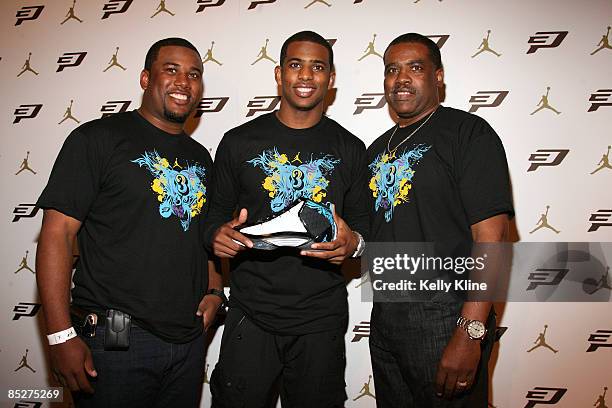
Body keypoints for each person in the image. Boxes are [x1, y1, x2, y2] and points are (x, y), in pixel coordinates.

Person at [36, 37, 222, 408]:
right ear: (144, 79)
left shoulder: (201, 156)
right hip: (116, 336)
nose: (184, 82)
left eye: (194, 74)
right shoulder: (97, 139)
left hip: (186, 340)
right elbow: (57, 234)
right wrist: (59, 335)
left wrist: (215, 292)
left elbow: (206, 237)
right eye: (171, 70)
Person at [205, 30, 369, 407]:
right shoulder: (238, 141)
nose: (306, 76)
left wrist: (354, 243)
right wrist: (214, 234)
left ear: (331, 79)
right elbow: (212, 215)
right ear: (279, 75)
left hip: (320, 318)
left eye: (318, 67)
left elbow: (365, 227)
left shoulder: (350, 148)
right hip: (251, 313)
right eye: (296, 65)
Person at [366, 33, 513, 407]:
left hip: (447, 313)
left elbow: (492, 236)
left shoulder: (468, 133)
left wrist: (469, 331)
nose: (401, 79)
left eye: (415, 68)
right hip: (386, 313)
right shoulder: (375, 149)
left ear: (438, 77)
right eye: (392, 70)